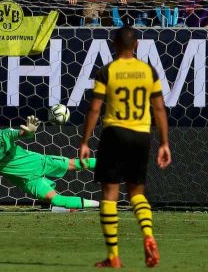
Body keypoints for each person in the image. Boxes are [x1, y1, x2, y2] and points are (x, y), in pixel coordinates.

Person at [78, 26, 171, 268]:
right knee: (137, 194)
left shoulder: (107, 71)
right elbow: (159, 109)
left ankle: (113, 255)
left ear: (114, 45)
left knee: (110, 195)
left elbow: (95, 109)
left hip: (115, 133)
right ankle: (148, 235)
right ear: (137, 45)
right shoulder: (148, 71)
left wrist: (85, 141)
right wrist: (164, 143)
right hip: (141, 135)